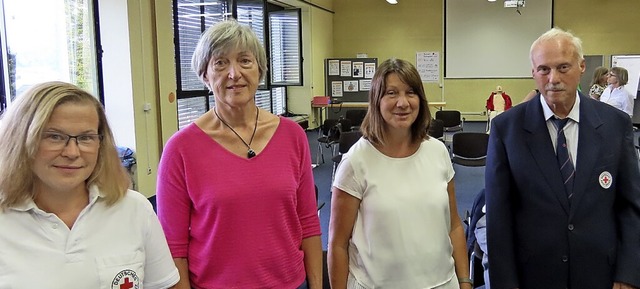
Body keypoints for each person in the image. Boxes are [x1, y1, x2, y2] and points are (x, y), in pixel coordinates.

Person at [156, 20, 322, 289]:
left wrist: (316, 285)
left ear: (260, 70)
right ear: (205, 76)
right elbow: (173, 247)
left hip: (291, 283)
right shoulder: (181, 150)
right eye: (220, 63)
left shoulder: (293, 136)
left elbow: (308, 222)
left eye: (245, 61)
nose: (234, 73)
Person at [486, 28, 640, 289]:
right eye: (544, 69)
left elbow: (630, 206)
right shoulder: (507, 129)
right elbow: (499, 217)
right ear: (533, 73)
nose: (553, 78)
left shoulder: (615, 124)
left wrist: (628, 275)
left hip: (600, 274)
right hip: (534, 275)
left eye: (563, 67)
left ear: (581, 67)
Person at [0, 81, 179, 289]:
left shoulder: (134, 209)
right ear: (21, 139)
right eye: (55, 137)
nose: (72, 153)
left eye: (86, 138)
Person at [328, 58, 471, 289]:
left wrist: (464, 281)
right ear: (377, 100)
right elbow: (338, 244)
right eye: (392, 93)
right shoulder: (356, 161)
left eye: (410, 92)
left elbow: (453, 225)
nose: (402, 103)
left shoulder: (437, 152)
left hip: (443, 283)